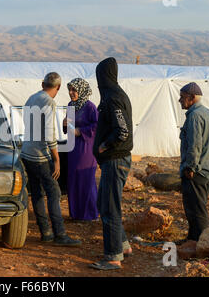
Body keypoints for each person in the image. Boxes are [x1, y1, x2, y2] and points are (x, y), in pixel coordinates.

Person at [21, 72, 82, 247]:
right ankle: (60, 234)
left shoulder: (31, 98)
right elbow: (49, 134)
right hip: (40, 156)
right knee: (54, 193)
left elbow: (27, 123)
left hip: (27, 152)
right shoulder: (49, 102)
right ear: (59, 87)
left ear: (42, 84)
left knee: (37, 193)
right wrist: (56, 159)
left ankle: (45, 232)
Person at [90, 57, 133, 270]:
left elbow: (122, 131)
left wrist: (103, 146)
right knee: (106, 204)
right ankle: (123, 246)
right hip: (113, 161)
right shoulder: (113, 95)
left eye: (99, 77)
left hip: (115, 160)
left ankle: (113, 256)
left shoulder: (114, 97)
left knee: (108, 207)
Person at [177, 82, 209, 247]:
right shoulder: (207, 113)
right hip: (207, 169)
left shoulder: (195, 116)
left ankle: (203, 247)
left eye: (182, 97)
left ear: (192, 98)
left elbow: (195, 144)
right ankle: (192, 240)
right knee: (194, 208)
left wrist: (190, 167)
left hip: (197, 171)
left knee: (197, 210)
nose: (180, 100)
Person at [63, 78, 99, 221]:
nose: (71, 93)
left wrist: (80, 131)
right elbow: (69, 126)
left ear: (82, 91)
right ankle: (76, 213)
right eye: (70, 90)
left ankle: (90, 214)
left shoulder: (90, 107)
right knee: (74, 178)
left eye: (74, 90)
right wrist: (65, 124)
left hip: (86, 147)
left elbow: (97, 126)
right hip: (73, 147)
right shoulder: (71, 105)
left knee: (85, 179)